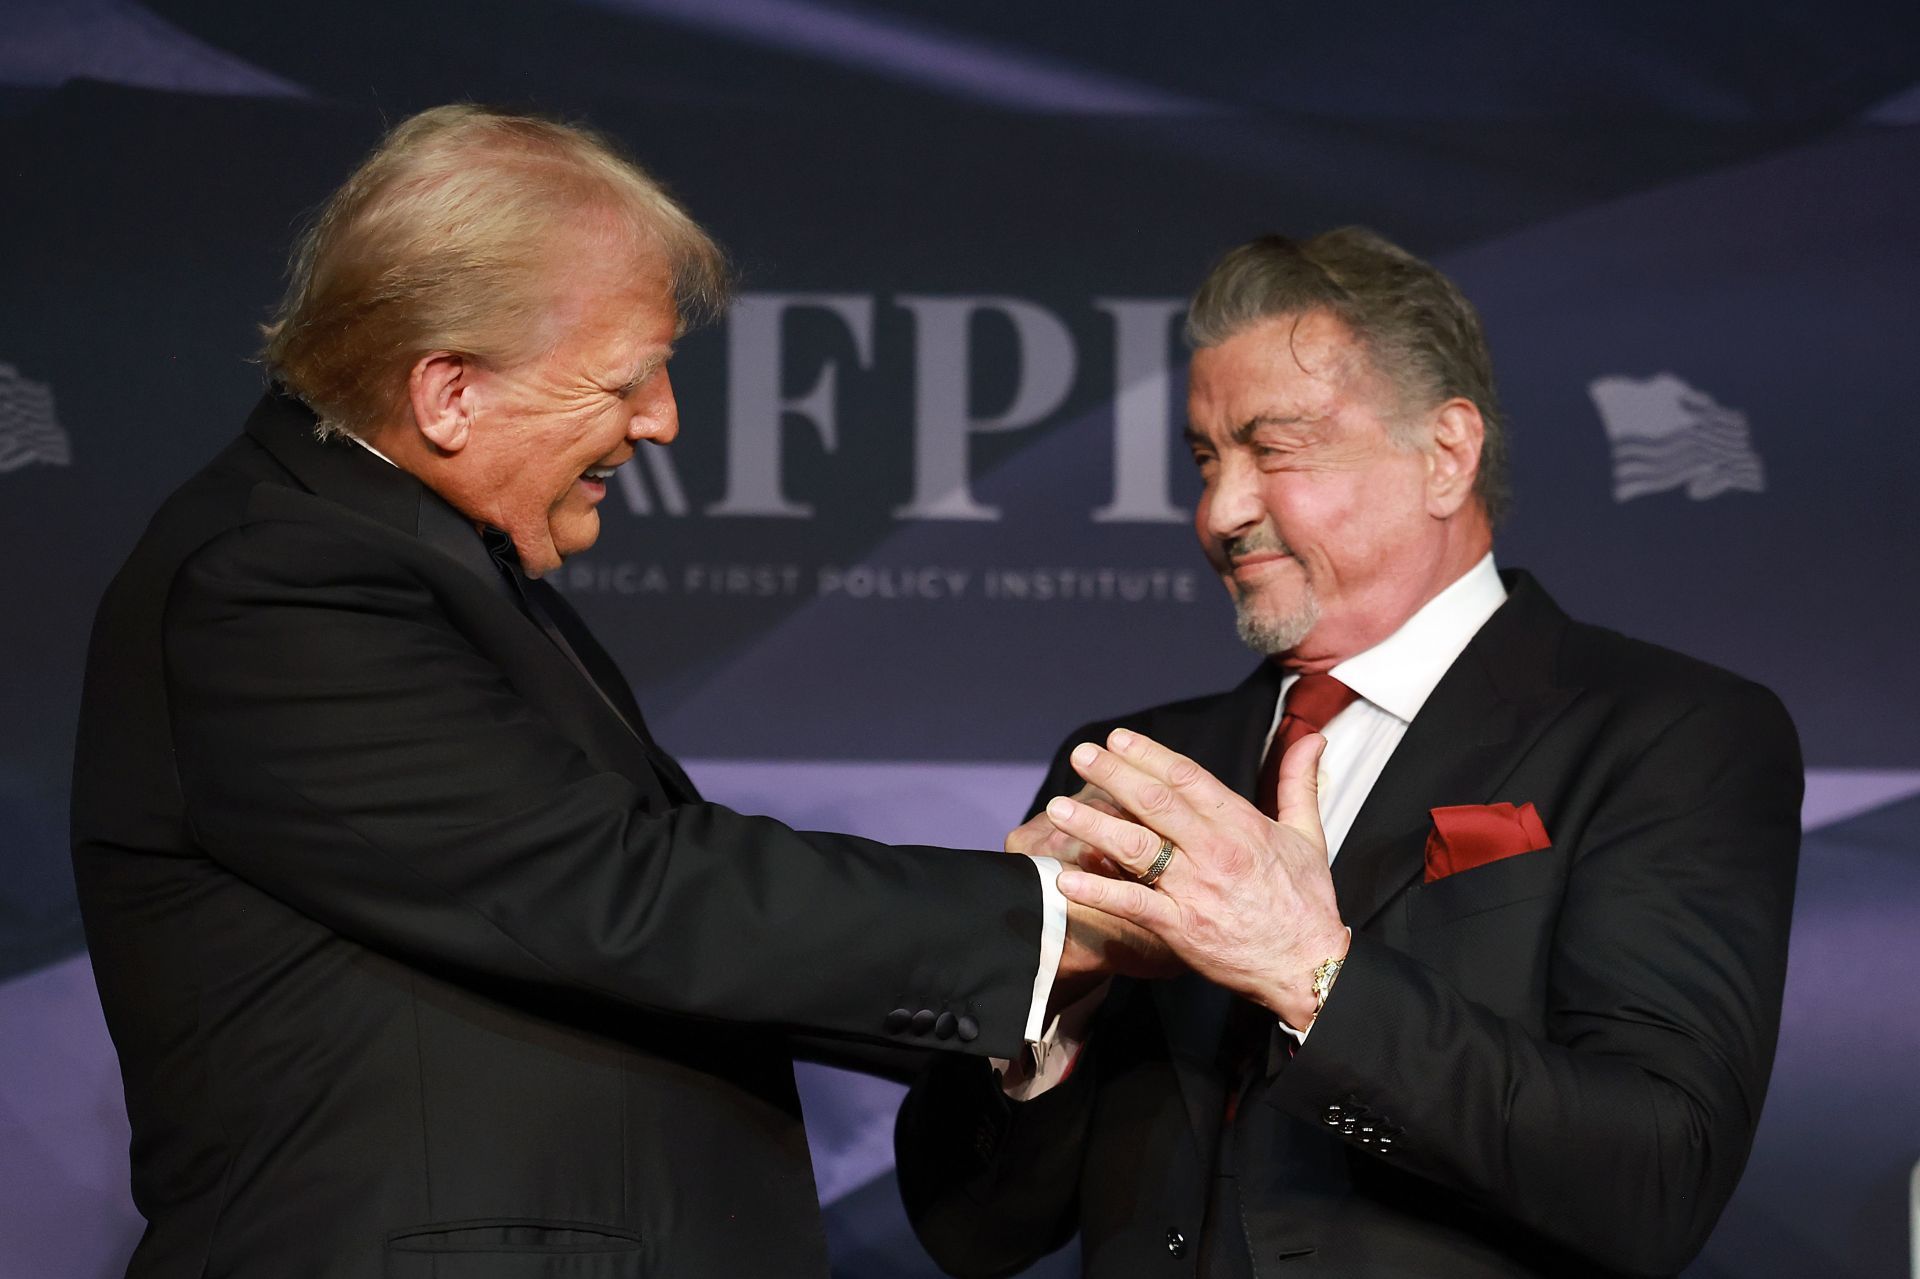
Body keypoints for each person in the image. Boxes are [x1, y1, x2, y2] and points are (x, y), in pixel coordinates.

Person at [68, 105, 1141, 1279]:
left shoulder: (415, 563)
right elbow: (611, 891)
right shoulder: (275, 582)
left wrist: (1027, 974)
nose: (664, 419)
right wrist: (1037, 919)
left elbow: (629, 923)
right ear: (449, 394)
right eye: (628, 378)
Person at [895, 230, 1801, 1278]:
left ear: (1446, 454)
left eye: (1273, 449)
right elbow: (970, 1231)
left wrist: (1310, 973)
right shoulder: (1131, 772)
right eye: (1205, 459)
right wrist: (1046, 1012)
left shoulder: (1666, 735)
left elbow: (1656, 1179)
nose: (1222, 511)